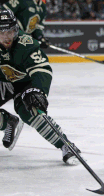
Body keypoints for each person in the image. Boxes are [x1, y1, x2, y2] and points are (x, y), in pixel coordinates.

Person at [0, 9, 82, 165]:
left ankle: (66, 145)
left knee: (31, 112)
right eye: (2, 33)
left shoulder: (25, 43)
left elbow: (41, 69)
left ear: (16, 29)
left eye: (10, 32)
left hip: (25, 83)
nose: (6, 37)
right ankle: (6, 122)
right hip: (3, 83)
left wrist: (38, 90)